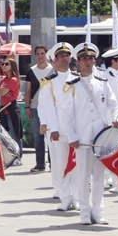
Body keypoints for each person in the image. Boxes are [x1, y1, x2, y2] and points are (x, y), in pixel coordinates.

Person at [68, 42, 118, 225]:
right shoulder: (71, 85)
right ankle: (84, 212)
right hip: (82, 138)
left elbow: (115, 105)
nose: (87, 62)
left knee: (99, 176)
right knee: (83, 177)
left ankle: (98, 211)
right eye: (84, 59)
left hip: (101, 138)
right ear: (78, 62)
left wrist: (117, 120)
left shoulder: (103, 83)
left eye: (90, 58)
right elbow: (67, 114)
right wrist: (72, 136)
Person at [37, 42, 78, 212]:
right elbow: (46, 106)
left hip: (76, 129)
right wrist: (51, 127)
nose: (64, 58)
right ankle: (64, 197)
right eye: (60, 56)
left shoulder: (78, 79)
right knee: (60, 164)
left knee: (76, 165)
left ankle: (76, 197)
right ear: (55, 59)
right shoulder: (49, 82)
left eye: (67, 55)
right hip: (58, 129)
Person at [24, 45, 52, 173]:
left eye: (42, 53)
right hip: (35, 107)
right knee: (38, 137)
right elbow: (28, 90)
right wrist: (27, 106)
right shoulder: (31, 71)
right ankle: (40, 164)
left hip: (50, 107)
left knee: (51, 135)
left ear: (46, 54)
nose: (40, 56)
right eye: (38, 54)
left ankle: (53, 163)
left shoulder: (53, 70)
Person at [0, 58, 24, 164]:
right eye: (3, 64)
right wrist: (2, 91)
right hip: (3, 108)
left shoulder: (14, 80)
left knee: (15, 134)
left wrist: (1, 91)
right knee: (5, 135)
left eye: (7, 64)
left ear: (12, 66)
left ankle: (18, 157)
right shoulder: (4, 79)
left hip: (11, 108)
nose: (4, 65)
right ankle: (10, 156)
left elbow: (1, 92)